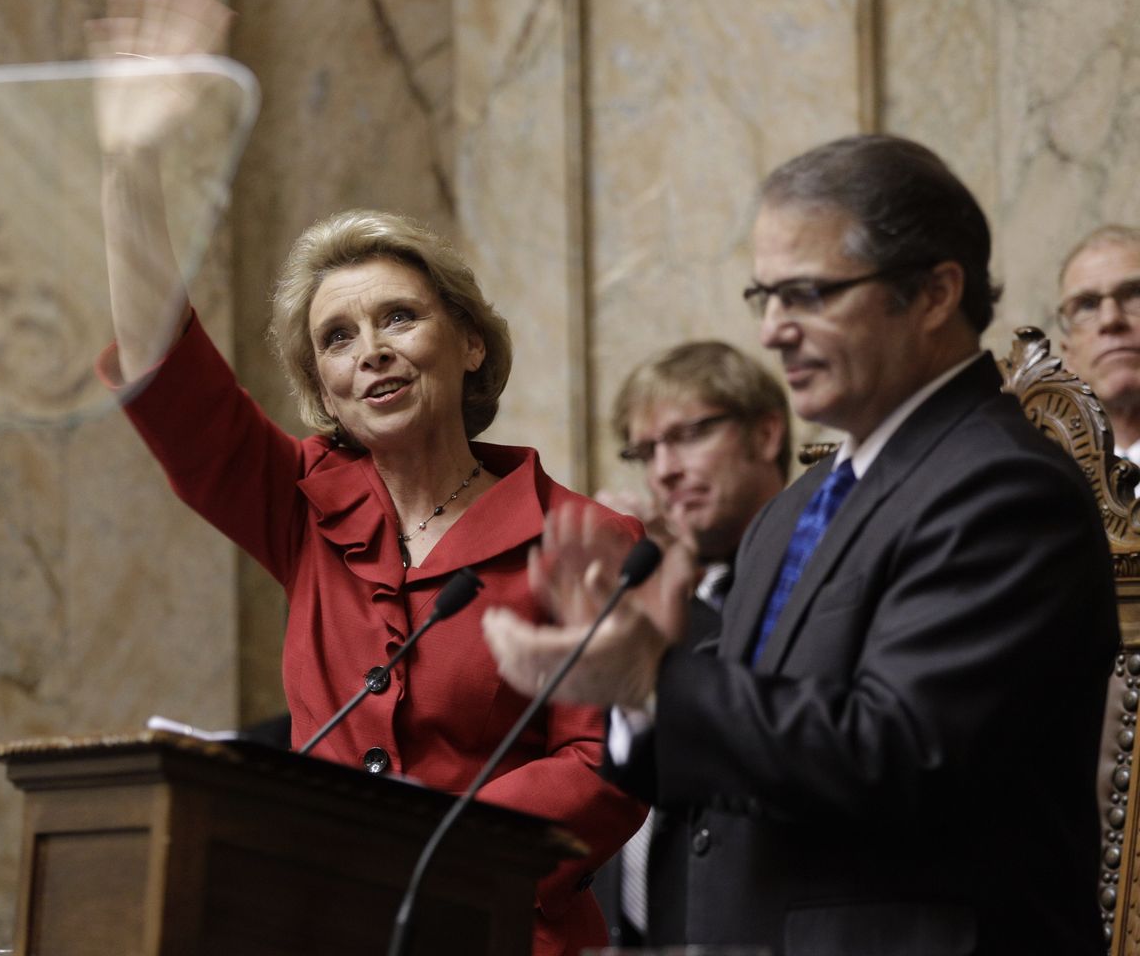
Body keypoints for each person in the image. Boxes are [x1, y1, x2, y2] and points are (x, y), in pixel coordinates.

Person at [86, 0, 644, 956]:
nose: (370, 351)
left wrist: (412, 840)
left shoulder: (582, 538)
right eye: (336, 339)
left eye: (399, 317)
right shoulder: (303, 504)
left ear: (469, 342)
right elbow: (165, 376)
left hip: (506, 934)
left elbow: (600, 766)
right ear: (323, 389)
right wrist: (132, 163)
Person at [483, 134, 1119, 955]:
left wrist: (660, 679)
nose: (775, 331)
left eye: (809, 294)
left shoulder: (1004, 488)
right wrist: (634, 703)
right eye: (765, 296)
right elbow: (733, 763)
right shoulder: (795, 510)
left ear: (933, 293)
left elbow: (900, 752)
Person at [591, 341, 789, 947]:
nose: (663, 471)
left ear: (766, 434)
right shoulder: (650, 585)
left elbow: (742, 699)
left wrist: (669, 608)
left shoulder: (815, 564)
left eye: (687, 436)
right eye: (645, 451)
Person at [1056, 224, 1140, 460]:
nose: (1110, 319)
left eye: (1135, 293)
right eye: (1087, 305)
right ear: (1069, 354)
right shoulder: (1042, 477)